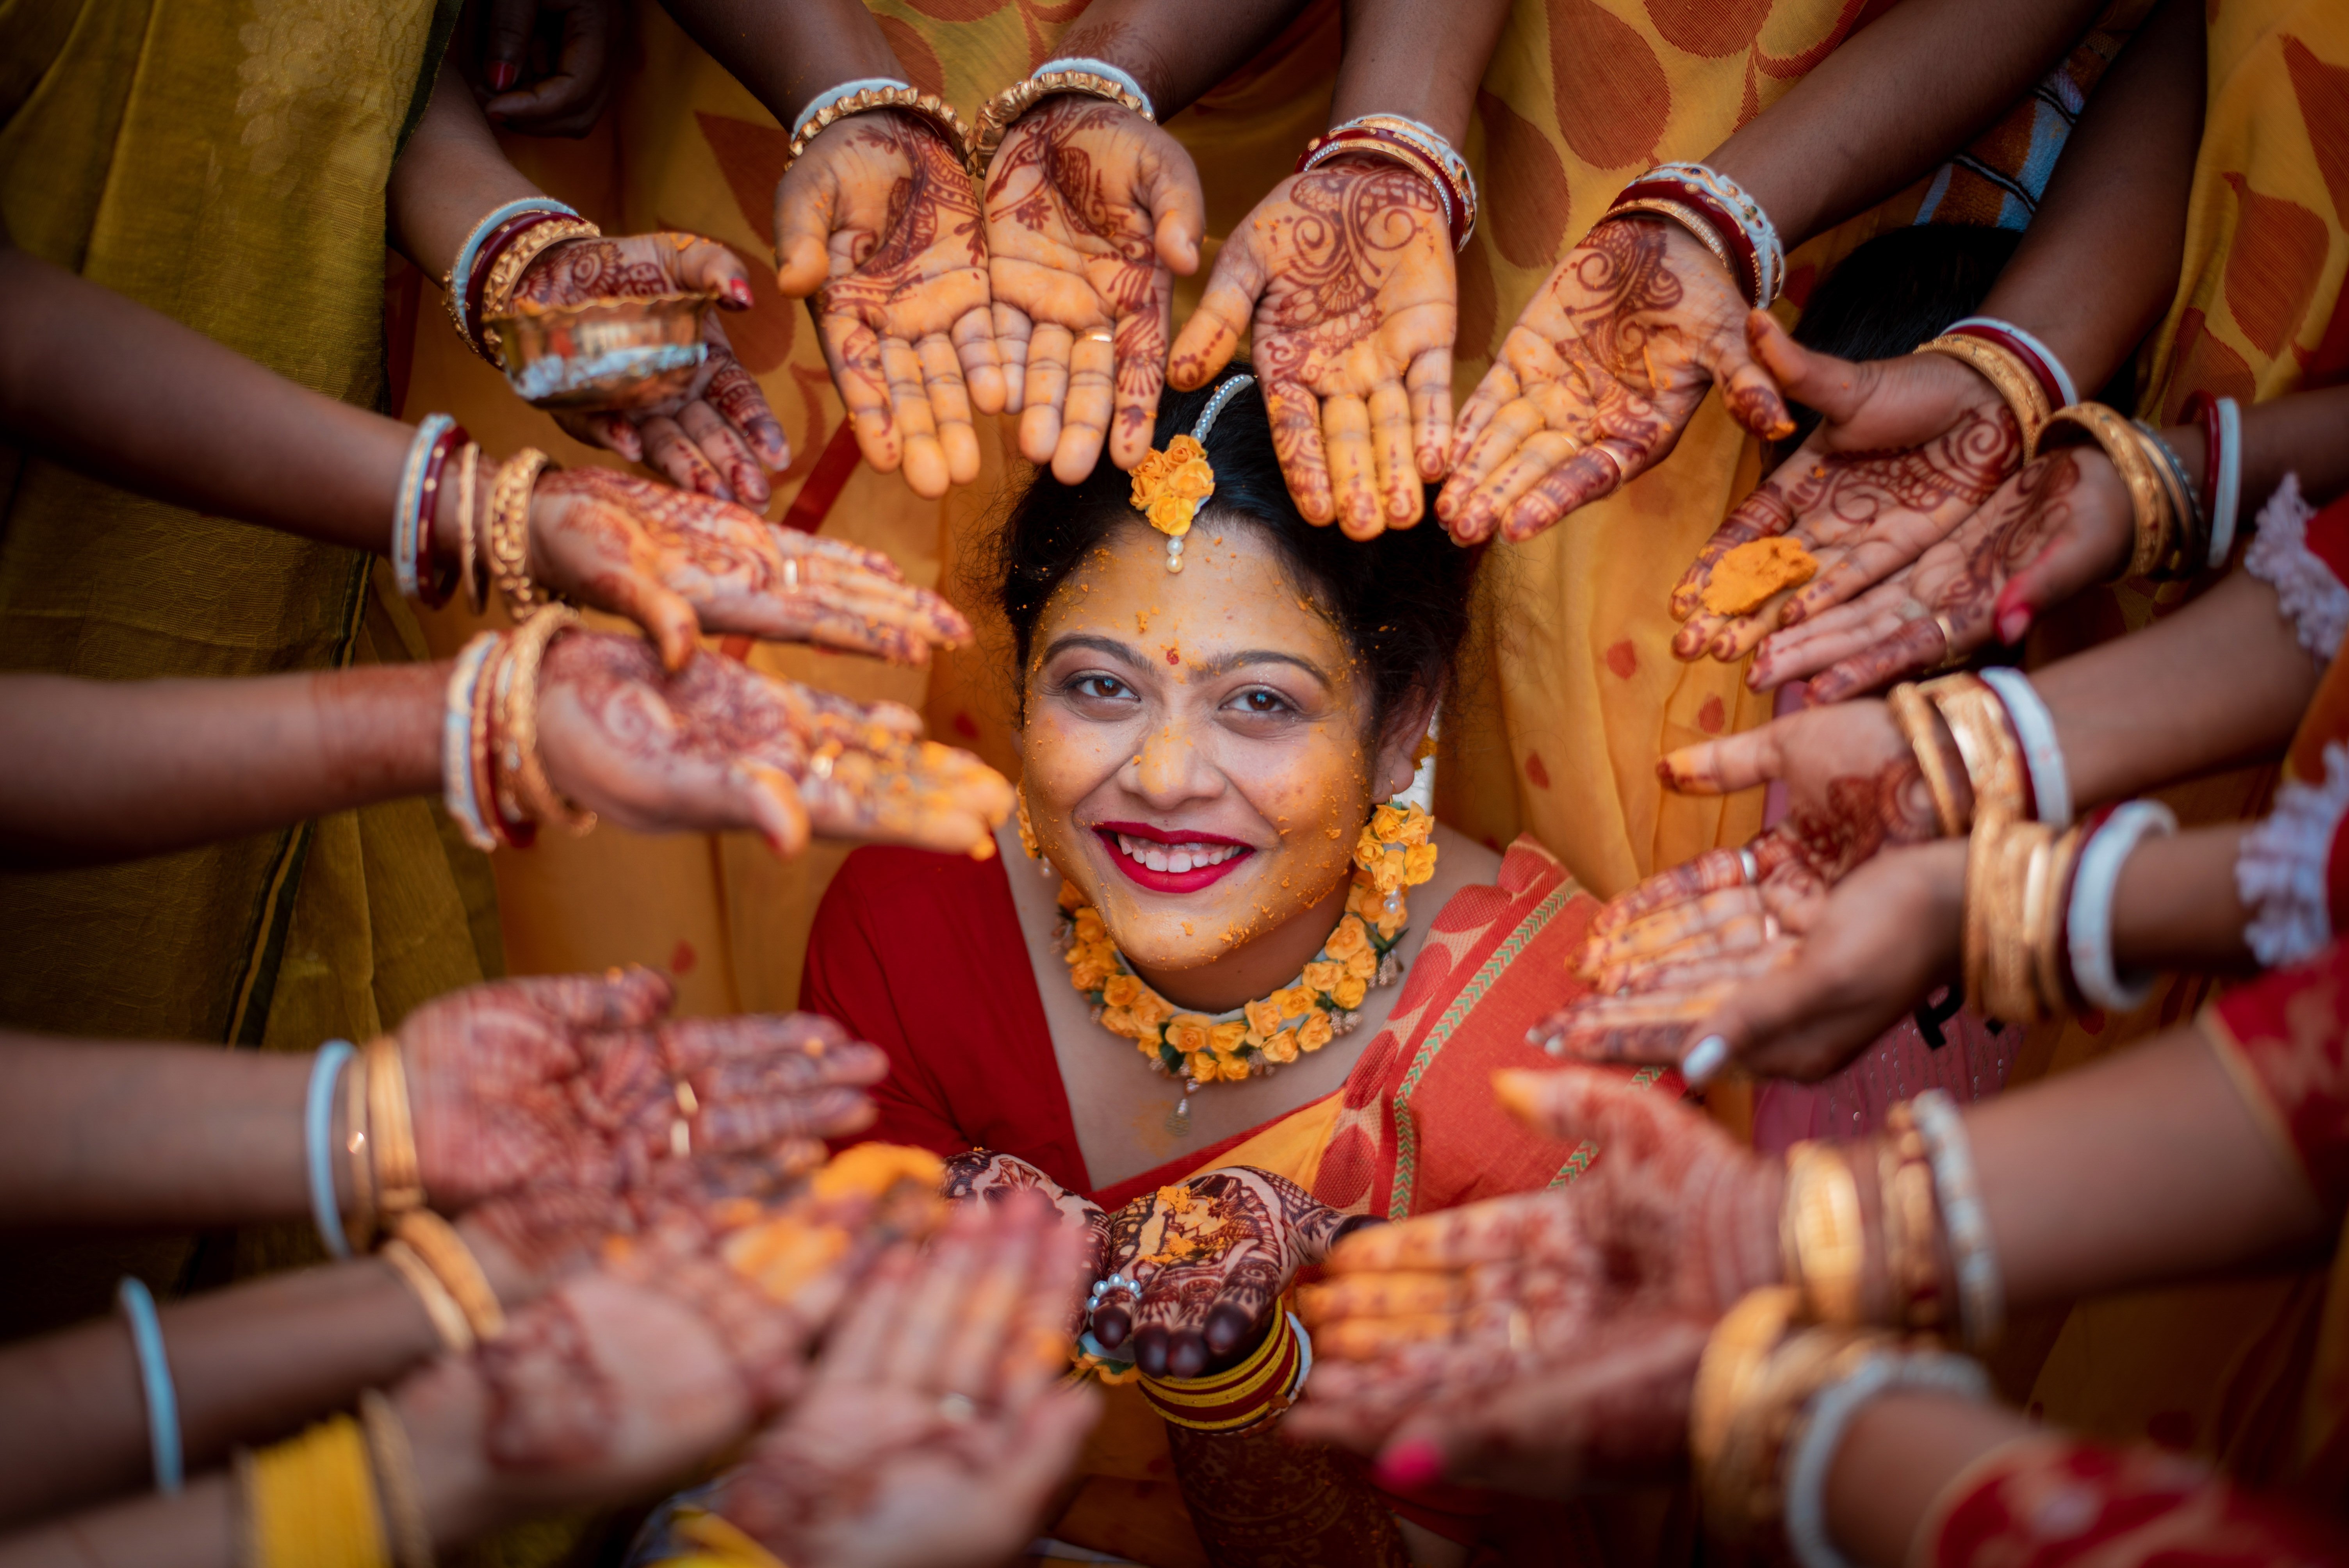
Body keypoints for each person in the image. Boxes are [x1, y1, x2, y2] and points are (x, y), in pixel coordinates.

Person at [800, 367, 1667, 1565]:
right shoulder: (911, 915)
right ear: (1019, 691)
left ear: (1403, 719)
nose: (1161, 777)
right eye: (1101, 686)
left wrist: (1234, 1376)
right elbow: (851, 1434)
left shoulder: (1546, 1049)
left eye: (1258, 702)